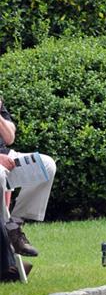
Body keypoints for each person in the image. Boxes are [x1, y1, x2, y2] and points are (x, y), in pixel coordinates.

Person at [0, 98, 57, 259]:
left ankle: (14, 225)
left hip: (7, 158)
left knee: (47, 165)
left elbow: (9, 138)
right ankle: (5, 229)